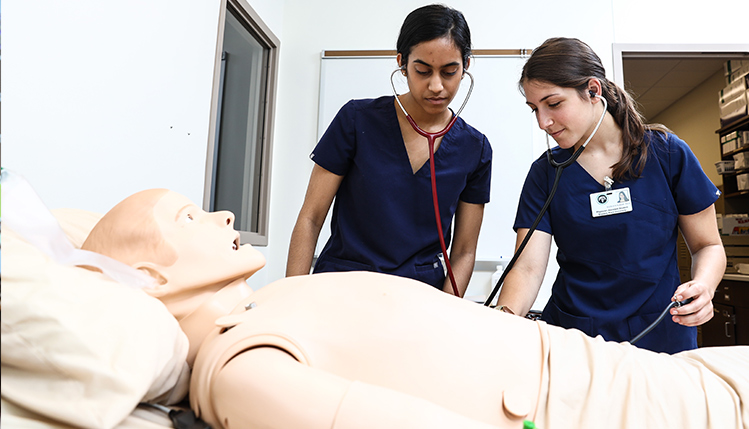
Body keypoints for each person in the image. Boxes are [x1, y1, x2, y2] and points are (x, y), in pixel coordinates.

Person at [81, 188, 748, 429]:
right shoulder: (238, 365)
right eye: (189, 216)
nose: (223, 213)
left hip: (625, 371)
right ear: (147, 274)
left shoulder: (270, 304)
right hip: (610, 404)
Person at [495, 37, 726, 354]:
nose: (542, 122)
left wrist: (705, 286)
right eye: (534, 109)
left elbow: (707, 245)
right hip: (576, 337)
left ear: (593, 90)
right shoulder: (546, 173)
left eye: (553, 104)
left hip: (659, 333)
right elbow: (527, 268)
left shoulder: (668, 155)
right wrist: (502, 322)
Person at [286, 4, 492, 296]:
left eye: (449, 72)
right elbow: (311, 217)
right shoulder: (356, 120)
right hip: (341, 286)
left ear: (466, 66)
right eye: (422, 70)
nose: (436, 86)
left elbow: (463, 252)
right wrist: (289, 298)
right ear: (402, 64)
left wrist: (447, 314)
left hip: (419, 297)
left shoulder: (475, 148)